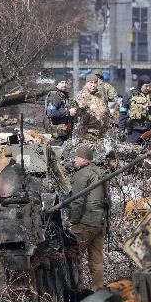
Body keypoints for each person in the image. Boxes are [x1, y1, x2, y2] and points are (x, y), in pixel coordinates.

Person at [66, 143, 107, 290]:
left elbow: (77, 201)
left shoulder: (82, 174)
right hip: (99, 223)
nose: (74, 160)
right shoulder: (99, 172)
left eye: (77, 157)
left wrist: (73, 221)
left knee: (75, 257)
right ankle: (97, 289)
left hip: (85, 223)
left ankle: (77, 290)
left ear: (84, 159)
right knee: (96, 260)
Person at [118, 75, 151, 144]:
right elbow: (123, 113)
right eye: (146, 86)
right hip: (133, 131)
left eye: (149, 86)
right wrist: (121, 130)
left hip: (148, 131)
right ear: (141, 85)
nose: (149, 88)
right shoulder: (129, 95)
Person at [75, 74, 110, 141]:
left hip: (102, 132)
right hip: (87, 133)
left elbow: (106, 109)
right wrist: (90, 105)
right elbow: (80, 104)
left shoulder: (100, 95)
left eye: (95, 82)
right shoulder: (82, 94)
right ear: (86, 83)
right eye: (91, 82)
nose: (93, 85)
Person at [44, 79, 77, 144]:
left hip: (64, 132)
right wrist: (68, 112)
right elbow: (50, 113)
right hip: (57, 134)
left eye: (66, 83)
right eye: (62, 82)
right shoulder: (54, 95)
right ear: (57, 84)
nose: (64, 85)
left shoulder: (63, 96)